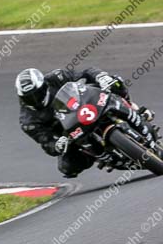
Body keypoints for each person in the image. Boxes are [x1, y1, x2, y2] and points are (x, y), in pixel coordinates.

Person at [15, 67, 156, 177]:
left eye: (37, 94)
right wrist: (57, 145)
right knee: (67, 167)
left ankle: (133, 107)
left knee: (115, 81)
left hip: (84, 107)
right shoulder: (28, 121)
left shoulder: (56, 77)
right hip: (71, 133)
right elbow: (45, 142)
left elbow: (86, 73)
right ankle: (98, 157)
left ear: (44, 85)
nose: (35, 99)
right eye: (29, 98)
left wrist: (101, 77)